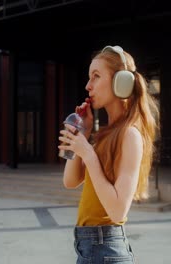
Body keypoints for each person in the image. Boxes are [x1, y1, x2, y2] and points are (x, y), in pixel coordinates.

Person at [58, 45, 159, 264]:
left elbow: (117, 211)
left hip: (105, 250)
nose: (88, 86)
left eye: (96, 76)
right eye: (88, 77)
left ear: (120, 82)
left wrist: (88, 154)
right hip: (90, 248)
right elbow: (70, 181)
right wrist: (82, 133)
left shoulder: (130, 135)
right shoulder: (105, 134)